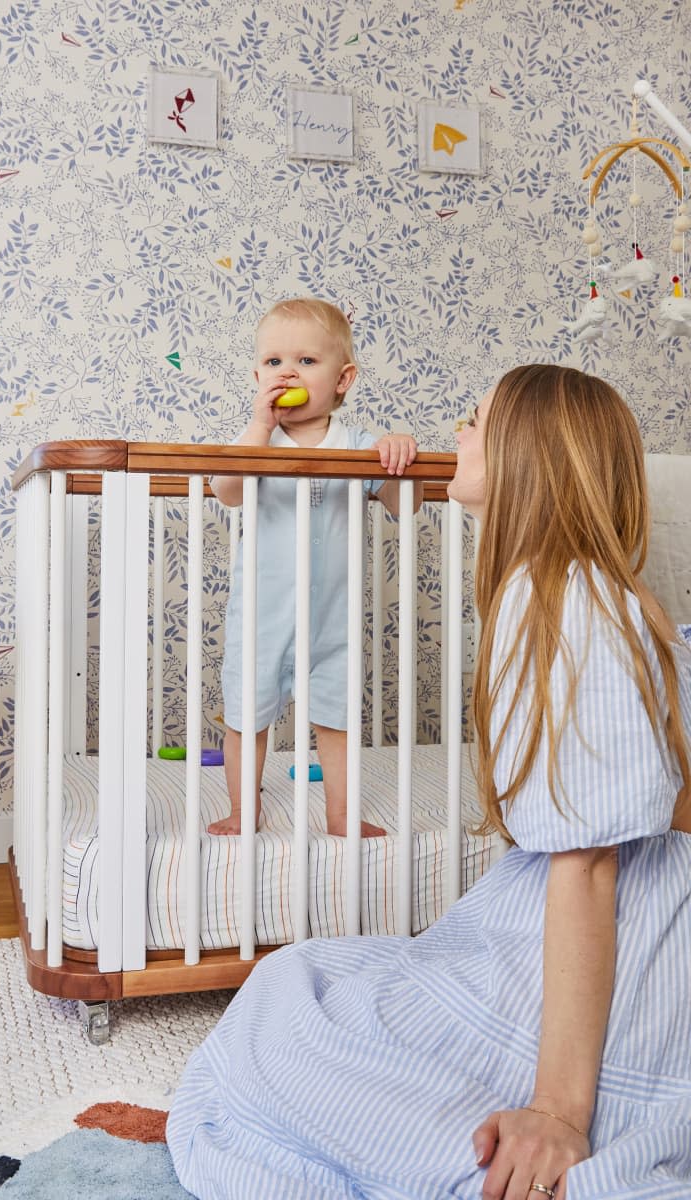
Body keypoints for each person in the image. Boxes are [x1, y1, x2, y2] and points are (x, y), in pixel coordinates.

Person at [168, 363, 691, 1199]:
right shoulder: (581, 593)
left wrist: (559, 1109)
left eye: (475, 422)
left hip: (628, 929)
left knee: (275, 1044)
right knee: (299, 977)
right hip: (625, 905)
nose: (460, 437)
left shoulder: (562, 600)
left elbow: (589, 865)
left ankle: (510, 1148)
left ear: (528, 454)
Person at [208, 298, 423, 838]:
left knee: (338, 719)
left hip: (335, 618)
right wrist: (258, 425)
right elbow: (226, 490)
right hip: (262, 612)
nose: (287, 373)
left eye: (306, 362)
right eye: (274, 362)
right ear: (257, 375)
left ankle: (341, 816)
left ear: (342, 378)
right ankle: (244, 810)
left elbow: (406, 505)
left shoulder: (357, 446)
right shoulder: (256, 443)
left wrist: (398, 455)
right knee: (246, 717)